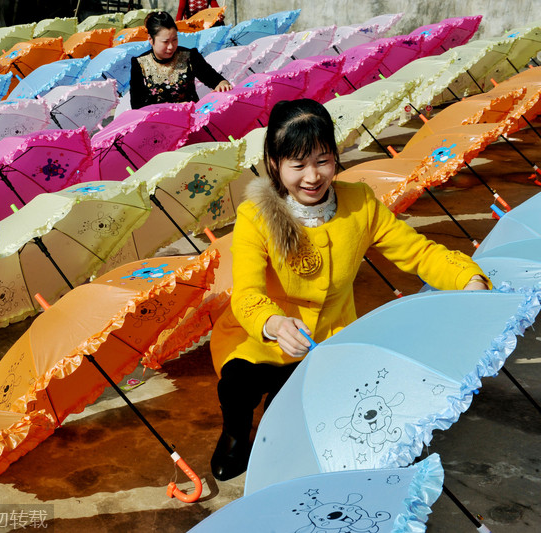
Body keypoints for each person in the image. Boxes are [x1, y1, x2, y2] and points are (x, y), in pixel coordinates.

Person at [209, 98, 490, 481]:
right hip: (259, 334)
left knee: (289, 414)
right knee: (238, 387)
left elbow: (419, 254)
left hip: (329, 335)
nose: (312, 177)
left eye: (322, 160)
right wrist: (273, 323)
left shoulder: (359, 204)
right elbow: (245, 292)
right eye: (298, 164)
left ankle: (272, 430)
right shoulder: (256, 215)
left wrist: (468, 279)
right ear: (274, 164)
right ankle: (235, 434)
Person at [129, 11, 231, 109]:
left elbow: (212, 78)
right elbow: (137, 105)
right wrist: (172, 108)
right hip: (156, 122)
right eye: (165, 42)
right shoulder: (140, 64)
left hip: (190, 119)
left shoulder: (189, 56)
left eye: (174, 40)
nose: (171, 47)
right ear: (151, 40)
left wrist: (222, 83)